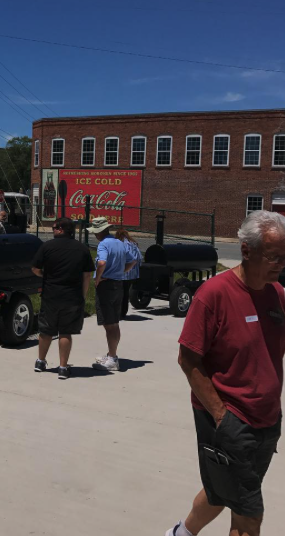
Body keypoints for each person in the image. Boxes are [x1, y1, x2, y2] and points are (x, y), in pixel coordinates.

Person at [166, 210, 285, 536]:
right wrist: (222, 417)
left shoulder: (277, 295)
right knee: (250, 515)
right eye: (274, 257)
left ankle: (181, 533)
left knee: (224, 492)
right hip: (229, 420)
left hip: (267, 420)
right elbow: (188, 360)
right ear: (247, 250)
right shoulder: (212, 296)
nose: (281, 264)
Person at [31, 217, 95, 379]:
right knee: (65, 332)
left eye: (53, 228)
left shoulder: (47, 247)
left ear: (60, 229)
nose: (52, 231)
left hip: (50, 295)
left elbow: (35, 268)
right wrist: (83, 294)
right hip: (72, 296)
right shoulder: (82, 249)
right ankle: (63, 367)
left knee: (46, 330)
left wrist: (45, 275)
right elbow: (87, 275)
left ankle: (40, 361)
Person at [87, 217, 136, 372]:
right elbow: (133, 260)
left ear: (99, 232)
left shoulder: (103, 244)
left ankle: (112, 359)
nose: (94, 235)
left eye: (95, 232)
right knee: (114, 322)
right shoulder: (119, 243)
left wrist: (98, 278)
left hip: (106, 286)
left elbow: (102, 263)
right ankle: (111, 354)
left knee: (109, 325)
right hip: (118, 285)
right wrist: (121, 271)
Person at [115, 229, 142, 318]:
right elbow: (140, 257)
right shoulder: (133, 244)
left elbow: (123, 256)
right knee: (126, 292)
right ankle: (123, 312)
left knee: (120, 292)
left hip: (124, 272)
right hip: (133, 273)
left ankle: (119, 312)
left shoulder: (122, 244)